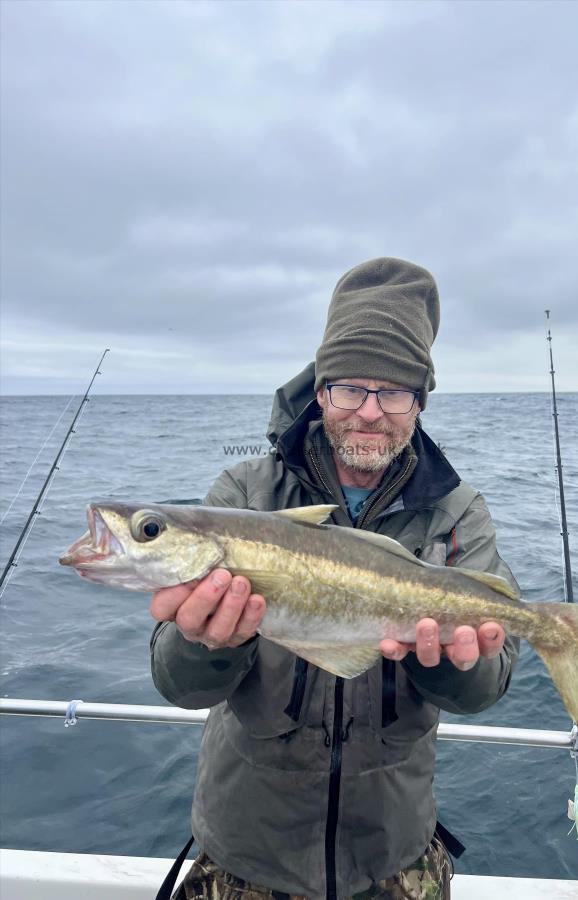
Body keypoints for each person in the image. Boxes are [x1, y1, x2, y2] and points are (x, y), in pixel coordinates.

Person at [150, 257, 520, 900]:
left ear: (420, 401)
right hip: (246, 855)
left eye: (395, 392)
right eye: (350, 387)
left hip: (393, 856)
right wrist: (211, 641)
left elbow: (483, 690)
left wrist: (447, 665)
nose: (370, 413)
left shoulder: (459, 514)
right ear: (320, 391)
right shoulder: (243, 494)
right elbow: (175, 685)